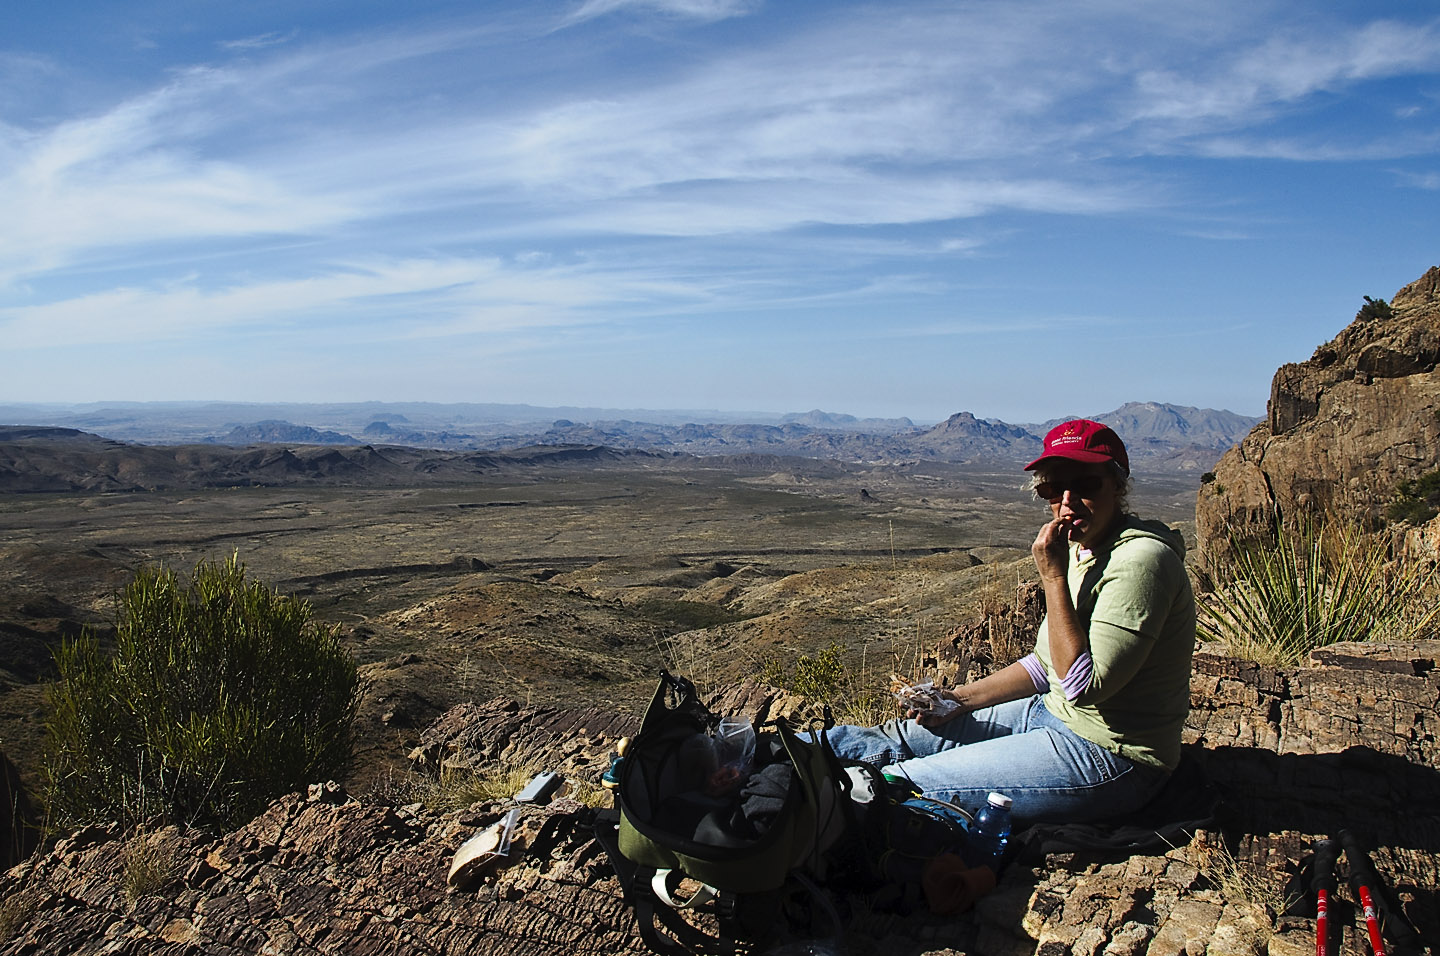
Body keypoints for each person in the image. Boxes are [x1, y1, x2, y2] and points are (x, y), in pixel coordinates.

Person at [823, 419, 1196, 824]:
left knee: (893, 782)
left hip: (1109, 754)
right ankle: (769, 750)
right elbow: (1043, 665)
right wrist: (958, 700)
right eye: (1053, 489)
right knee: (888, 741)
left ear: (1118, 486)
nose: (1067, 503)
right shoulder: (1083, 546)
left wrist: (1052, 577)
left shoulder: (1140, 561)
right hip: (1047, 713)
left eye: (1086, 485)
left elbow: (1082, 687)